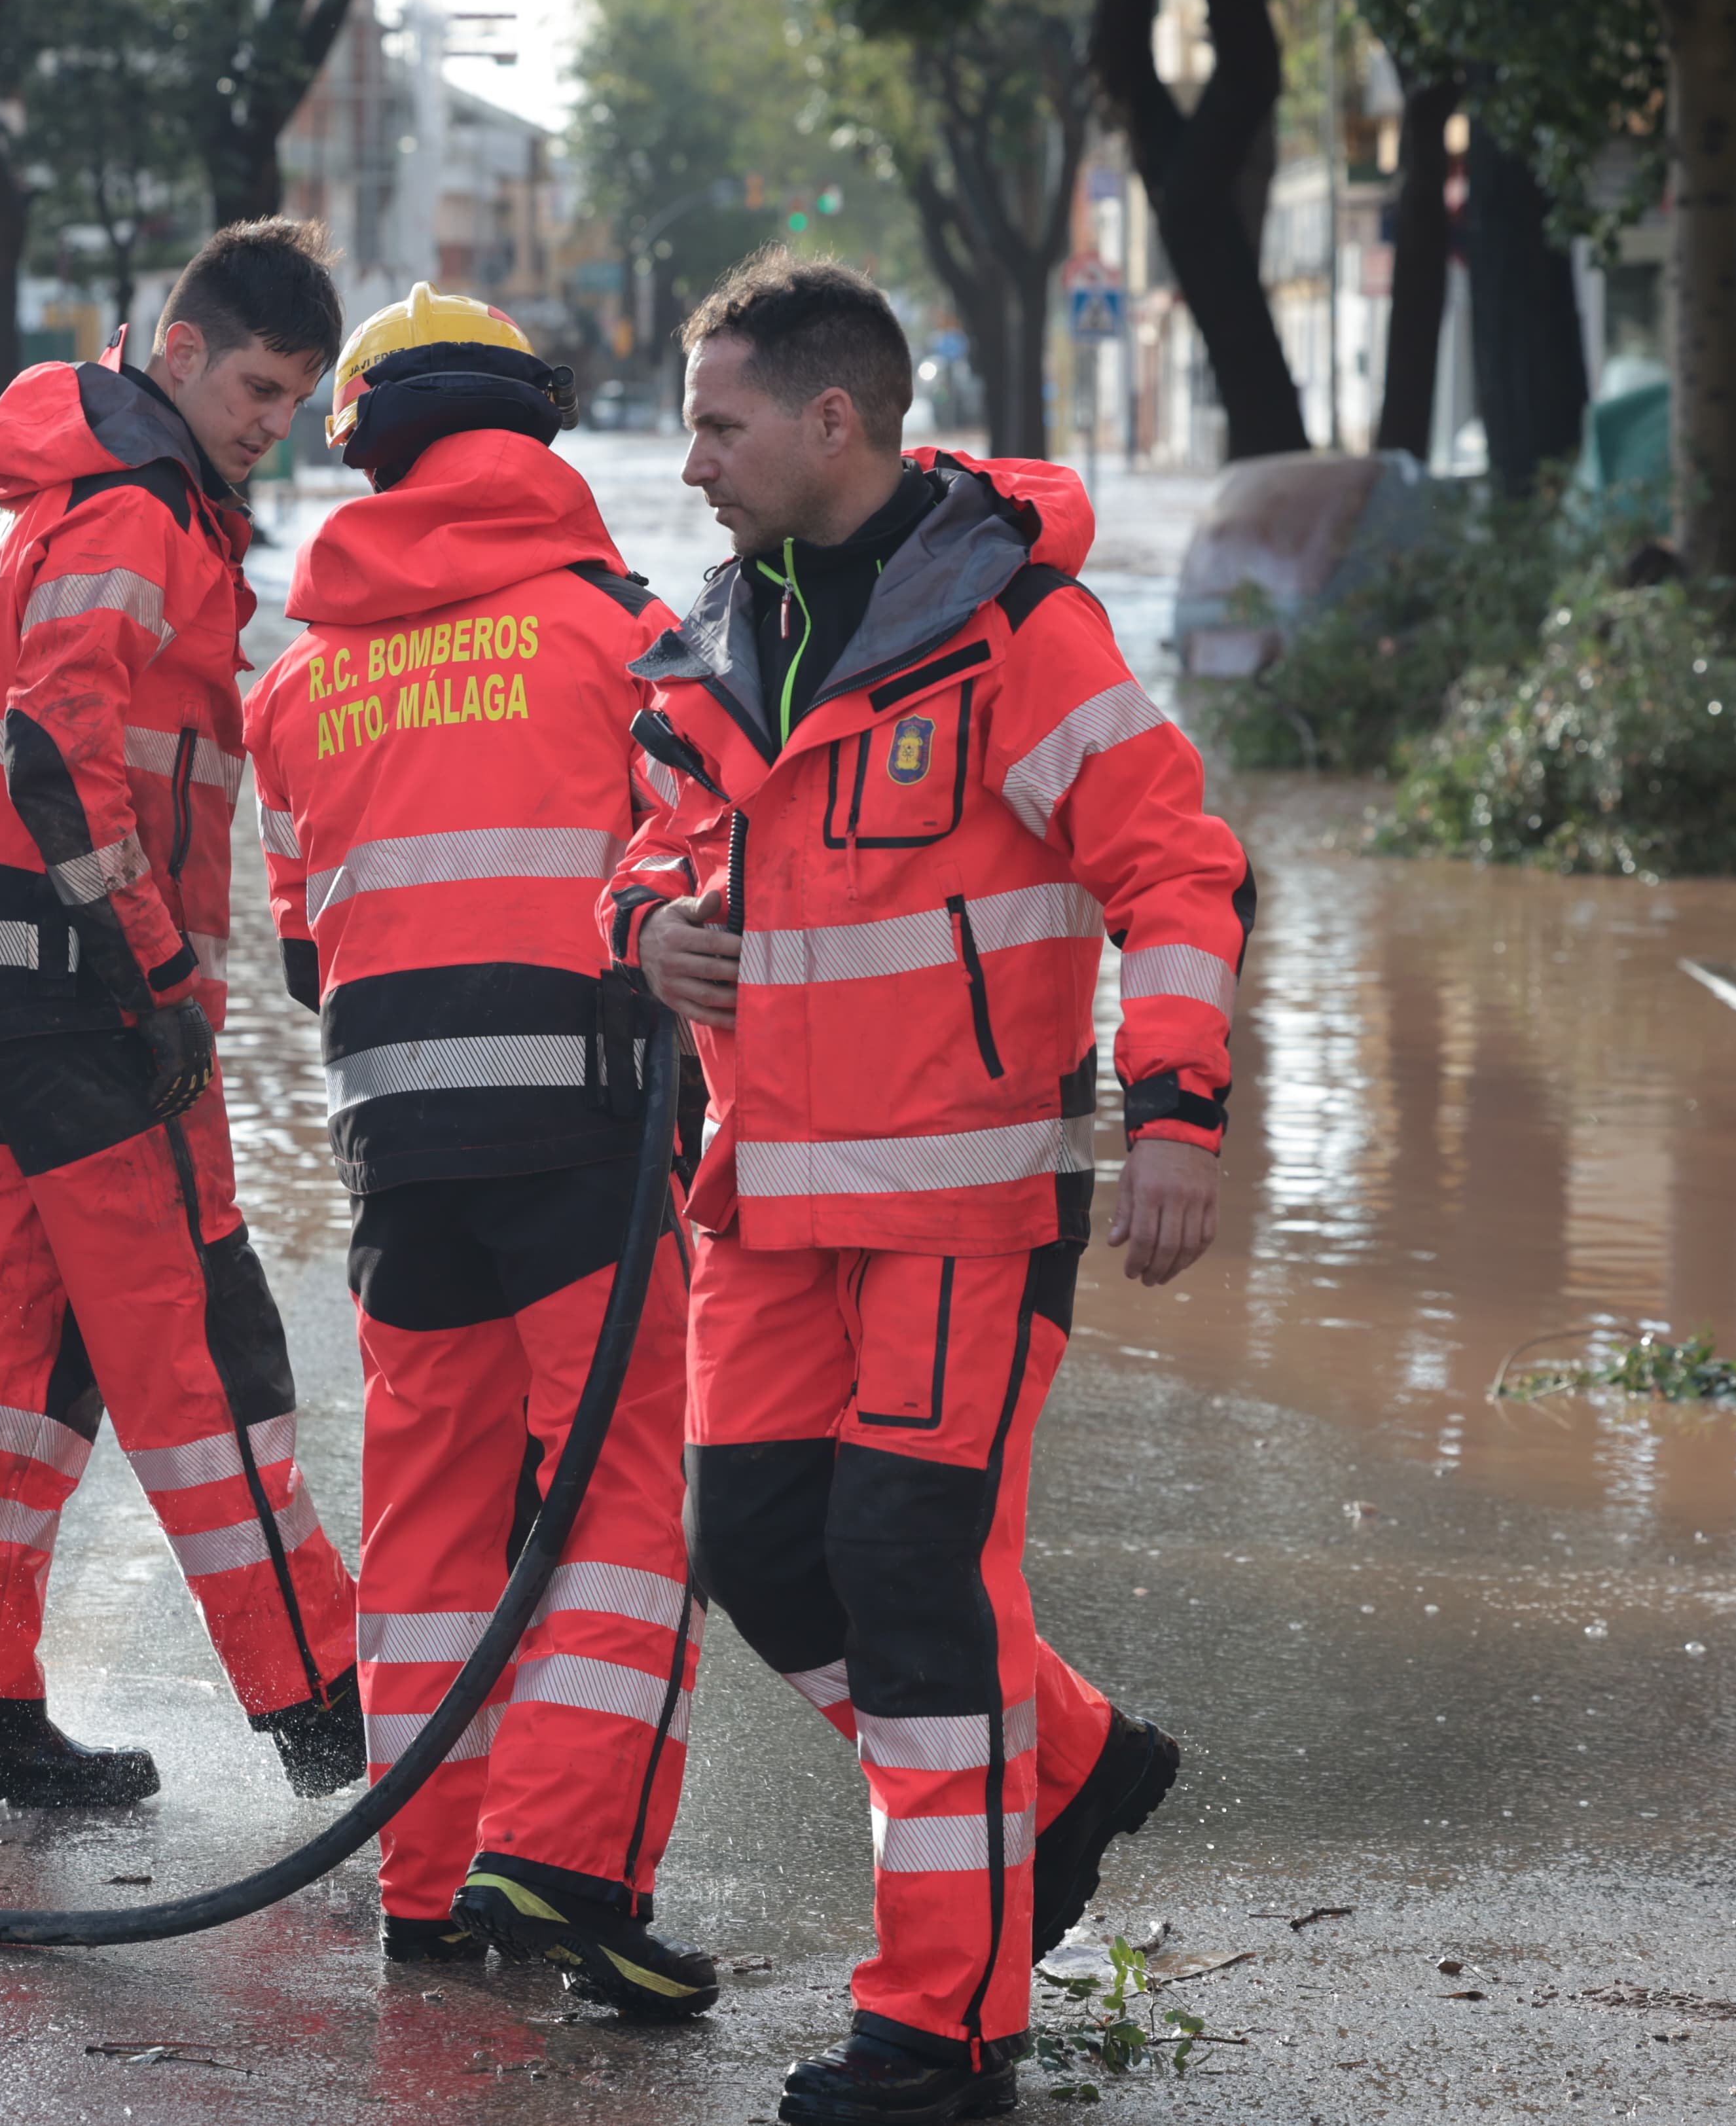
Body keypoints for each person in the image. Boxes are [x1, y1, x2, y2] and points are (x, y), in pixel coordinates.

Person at [608, 252, 1251, 2126]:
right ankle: (1067, 1771)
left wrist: (1179, 1115)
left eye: (720, 424)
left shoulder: (1019, 635)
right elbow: (642, 854)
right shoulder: (714, 643)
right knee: (764, 1556)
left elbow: (1179, 873)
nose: (692, 462)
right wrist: (649, 928)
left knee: (908, 1583)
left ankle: (944, 2028)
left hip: (969, 1216)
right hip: (766, 1215)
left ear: (834, 421)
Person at [244, 283, 714, 2013]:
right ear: (537, 428)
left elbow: (306, 952)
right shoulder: (626, 632)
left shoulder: (298, 683)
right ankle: (572, 1858)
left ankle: (430, 1886)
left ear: (368, 445)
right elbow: (707, 888)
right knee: (628, 1497)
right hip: (592, 1145)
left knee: (433, 1524)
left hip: (396, 1162)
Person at [0, 219, 364, 1818]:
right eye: (254, 388)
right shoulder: (136, 508)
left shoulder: (26, 479)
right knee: (195, 1346)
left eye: (290, 406)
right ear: (179, 349)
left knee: (16, 1340)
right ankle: (333, 1714)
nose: (264, 425)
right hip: (74, 990)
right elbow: (60, 742)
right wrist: (156, 971)